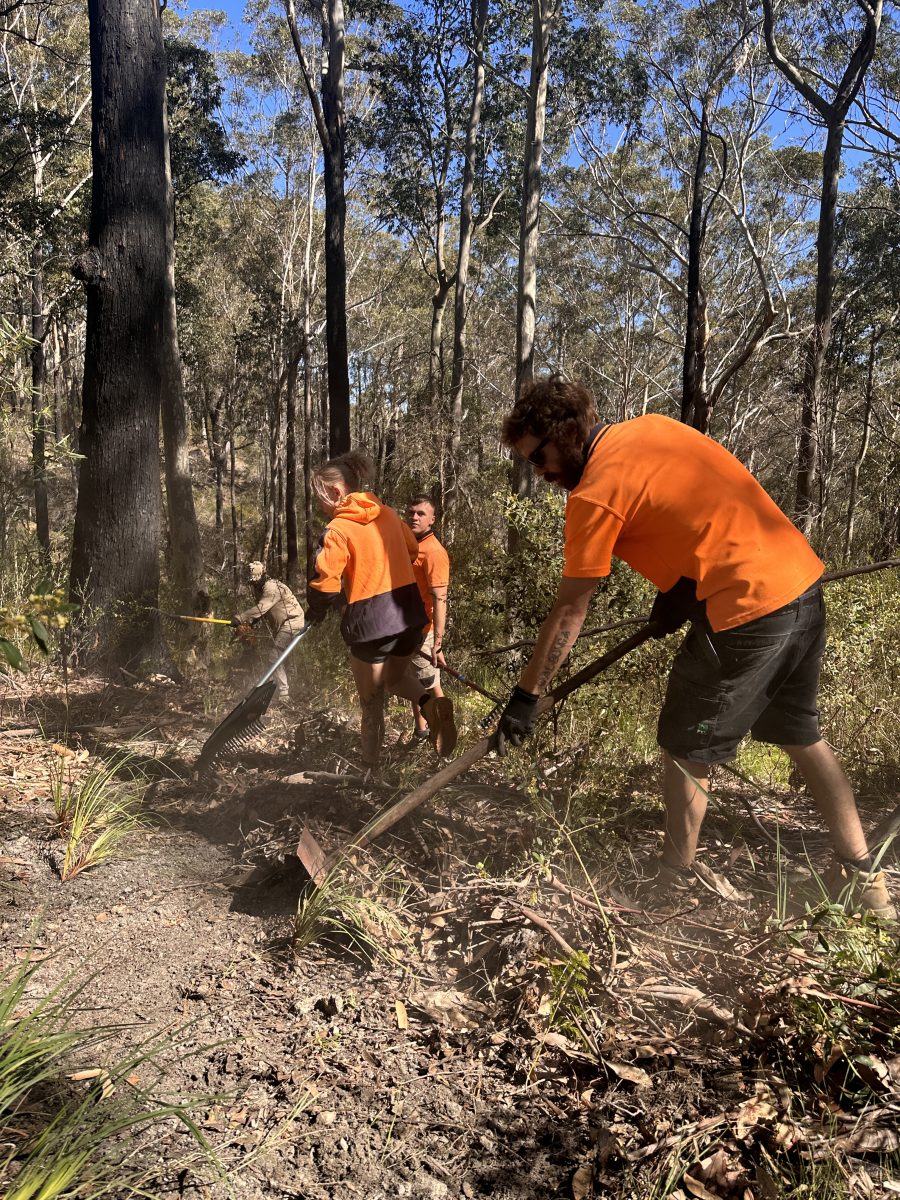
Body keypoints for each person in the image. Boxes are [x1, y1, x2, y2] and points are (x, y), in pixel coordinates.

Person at [494, 374, 895, 919]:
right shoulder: (651, 430)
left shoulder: (593, 494)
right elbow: (700, 512)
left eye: (537, 458)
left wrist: (527, 695)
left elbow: (570, 610)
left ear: (564, 435)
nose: (539, 474)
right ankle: (864, 879)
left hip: (747, 609)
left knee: (687, 745)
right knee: (801, 734)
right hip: (799, 584)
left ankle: (671, 885)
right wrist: (680, 590)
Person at [306, 450, 456, 768]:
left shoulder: (337, 530)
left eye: (320, 499)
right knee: (395, 679)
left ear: (335, 493)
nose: (320, 507)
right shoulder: (387, 513)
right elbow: (413, 549)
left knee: (371, 703)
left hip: (371, 623)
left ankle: (371, 770)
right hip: (410, 617)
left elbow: (326, 583)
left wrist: (317, 608)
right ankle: (431, 703)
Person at [403, 495, 457, 753]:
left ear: (432, 519)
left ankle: (446, 737)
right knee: (413, 682)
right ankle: (421, 731)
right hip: (405, 627)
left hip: (423, 630)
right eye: (411, 512)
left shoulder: (433, 551)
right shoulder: (410, 544)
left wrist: (437, 643)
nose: (414, 517)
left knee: (429, 683)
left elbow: (440, 598)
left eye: (421, 513)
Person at [232, 561, 305, 704]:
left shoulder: (271, 587)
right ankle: (274, 689)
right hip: (281, 625)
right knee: (274, 656)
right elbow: (263, 613)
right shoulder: (260, 588)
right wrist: (250, 622)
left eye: (254, 581)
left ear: (260, 576)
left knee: (274, 656)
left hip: (292, 622)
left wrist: (240, 618)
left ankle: (284, 695)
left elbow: (261, 608)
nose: (252, 585)